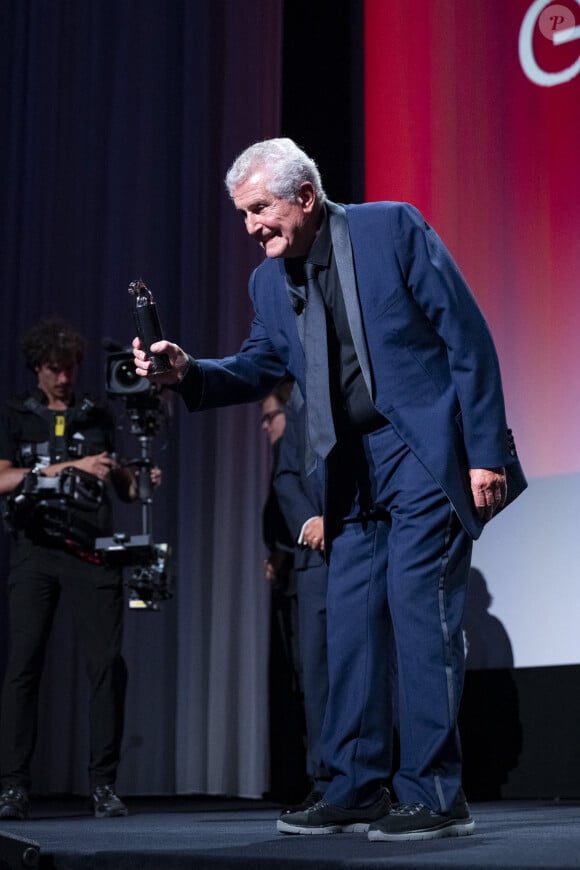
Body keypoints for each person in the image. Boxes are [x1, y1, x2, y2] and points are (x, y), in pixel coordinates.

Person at [132, 137, 526, 841]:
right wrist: (188, 371)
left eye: (260, 209)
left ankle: (435, 794)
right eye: (243, 215)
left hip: (423, 450)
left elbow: (466, 337)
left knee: (416, 613)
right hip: (346, 468)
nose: (252, 226)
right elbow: (260, 365)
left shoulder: (390, 229)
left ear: (305, 196)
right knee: (346, 627)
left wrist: (486, 453)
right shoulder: (267, 283)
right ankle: (353, 788)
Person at [0, 318, 159, 821]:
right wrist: (65, 469)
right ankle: (12, 786)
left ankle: (103, 785)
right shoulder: (16, 416)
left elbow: (127, 493)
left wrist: (136, 478)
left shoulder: (96, 416)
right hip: (36, 550)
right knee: (23, 668)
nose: (64, 379)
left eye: (70, 369)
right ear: (37, 369)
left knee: (108, 666)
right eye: (54, 370)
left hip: (92, 552)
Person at [272, 385, 331, 808]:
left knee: (377, 668)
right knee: (318, 674)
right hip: (317, 559)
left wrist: (340, 519)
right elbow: (286, 474)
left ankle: (382, 777)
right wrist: (309, 519)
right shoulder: (299, 404)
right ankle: (326, 781)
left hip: (368, 546)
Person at [260, 381, 309, 804]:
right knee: (301, 676)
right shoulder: (282, 459)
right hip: (291, 571)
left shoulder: (302, 435)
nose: (264, 426)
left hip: (309, 568)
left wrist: (282, 549)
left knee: (313, 673)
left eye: (269, 416)